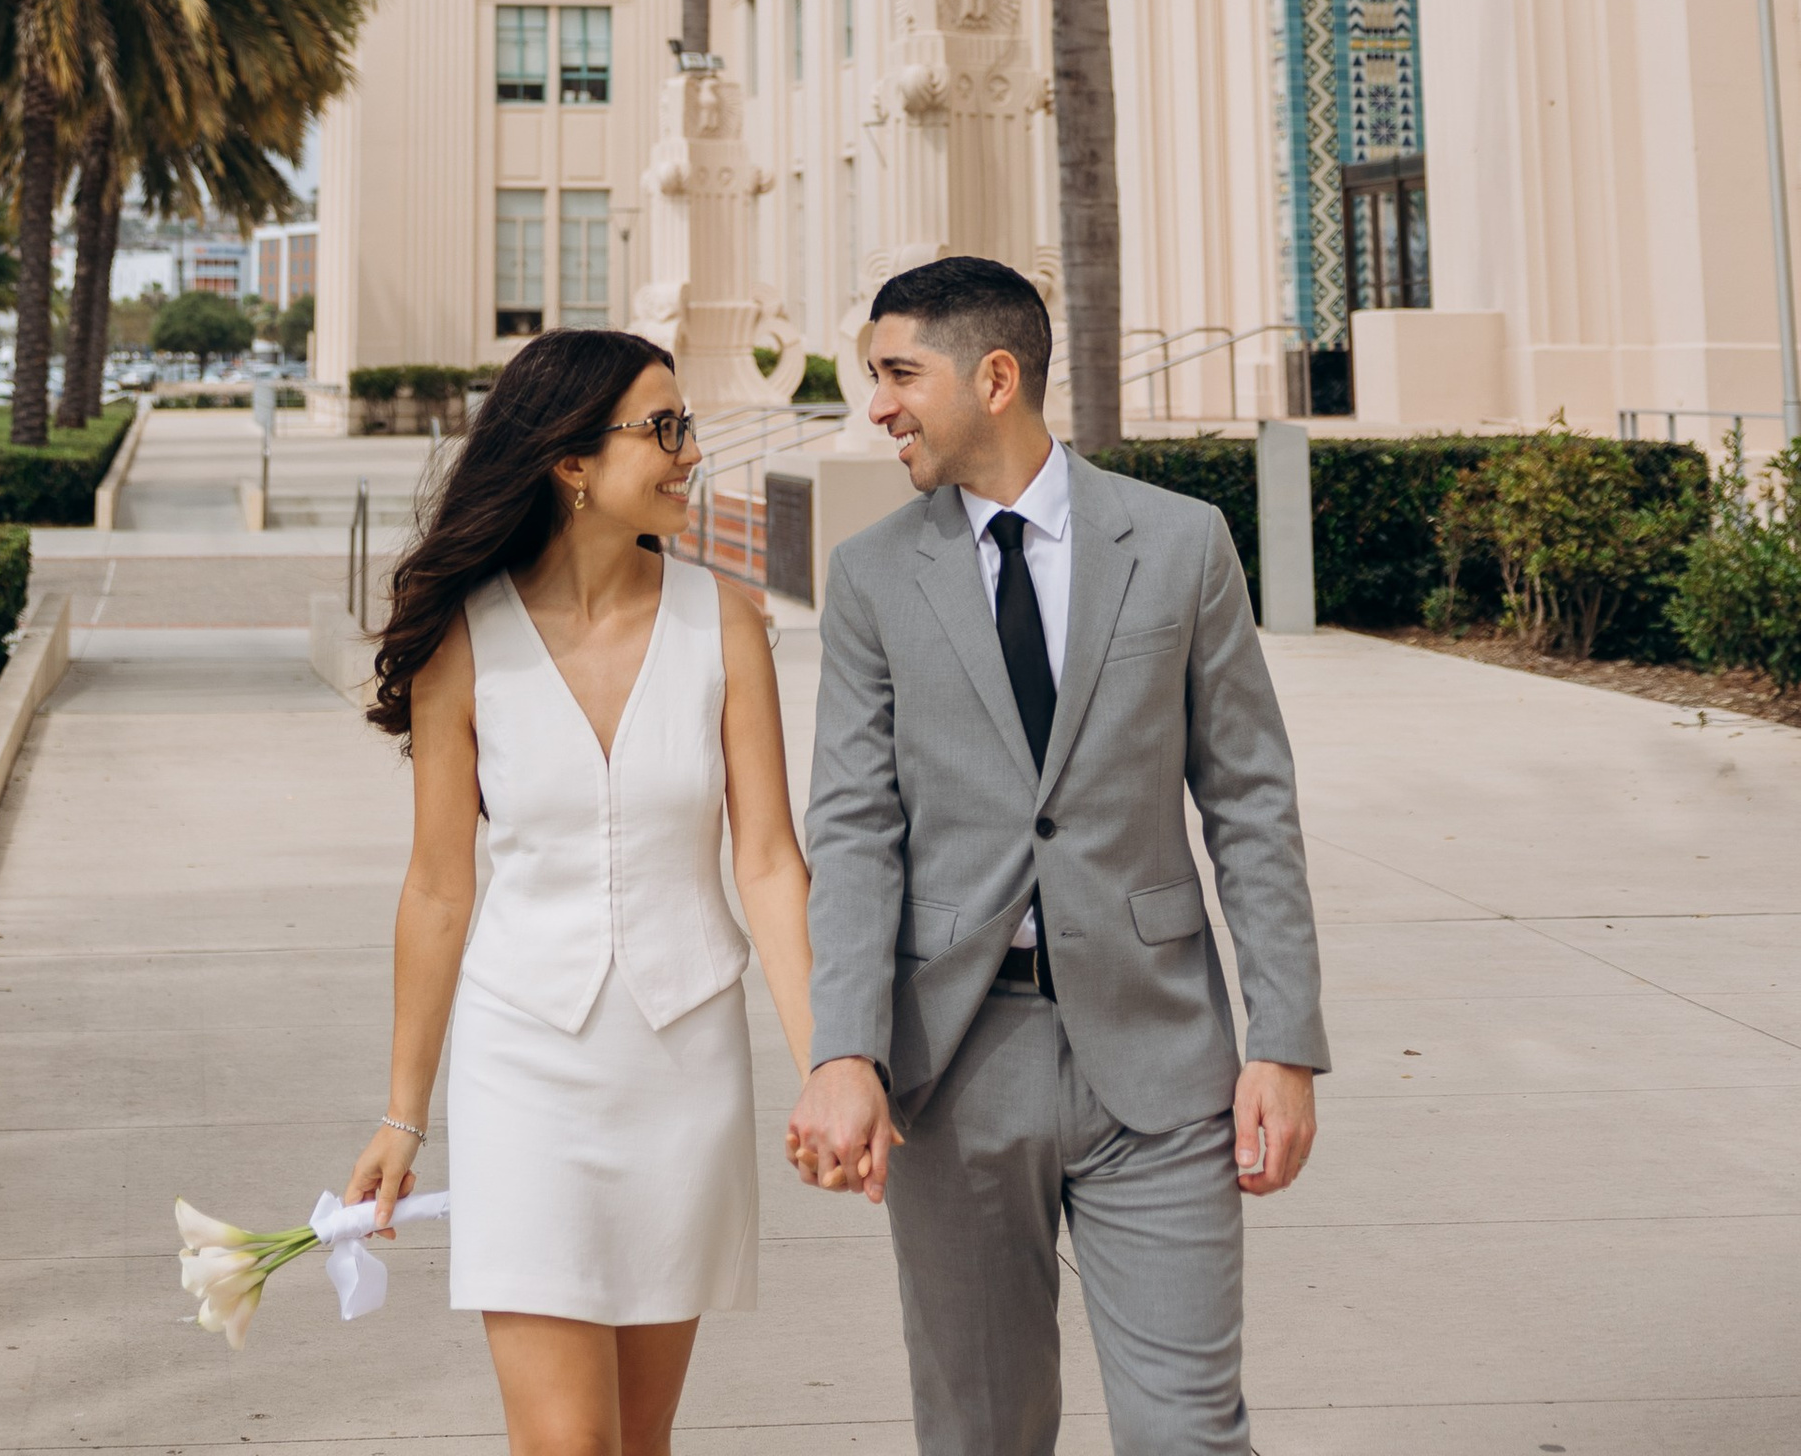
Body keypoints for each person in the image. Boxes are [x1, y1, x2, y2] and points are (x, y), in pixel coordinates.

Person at [786, 255, 1328, 1456]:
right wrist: (843, 1049)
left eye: (896, 374)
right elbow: (855, 830)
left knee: (1188, 1433)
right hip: (954, 1071)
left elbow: (1248, 799)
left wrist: (1282, 1042)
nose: (875, 405)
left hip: (1162, 1062)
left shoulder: (1182, 544)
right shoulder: (872, 577)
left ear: (993, 377)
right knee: (983, 1431)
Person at [349, 329, 816, 1456]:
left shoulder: (728, 624)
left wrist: (827, 1066)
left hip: (683, 1069)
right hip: (526, 1071)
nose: (690, 452)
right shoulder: (463, 639)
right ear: (569, 461)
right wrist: (402, 1114)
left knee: (640, 1441)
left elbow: (766, 861)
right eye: (664, 429)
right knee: (566, 1443)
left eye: (685, 427)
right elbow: (438, 888)